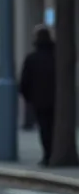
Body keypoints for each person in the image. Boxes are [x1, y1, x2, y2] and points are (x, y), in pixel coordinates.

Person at [19, 25, 57, 166]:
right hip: (56, 99)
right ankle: (54, 152)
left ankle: (47, 154)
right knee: (54, 126)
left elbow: (24, 81)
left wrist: (28, 97)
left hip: (39, 99)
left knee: (44, 127)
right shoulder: (57, 56)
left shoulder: (31, 58)